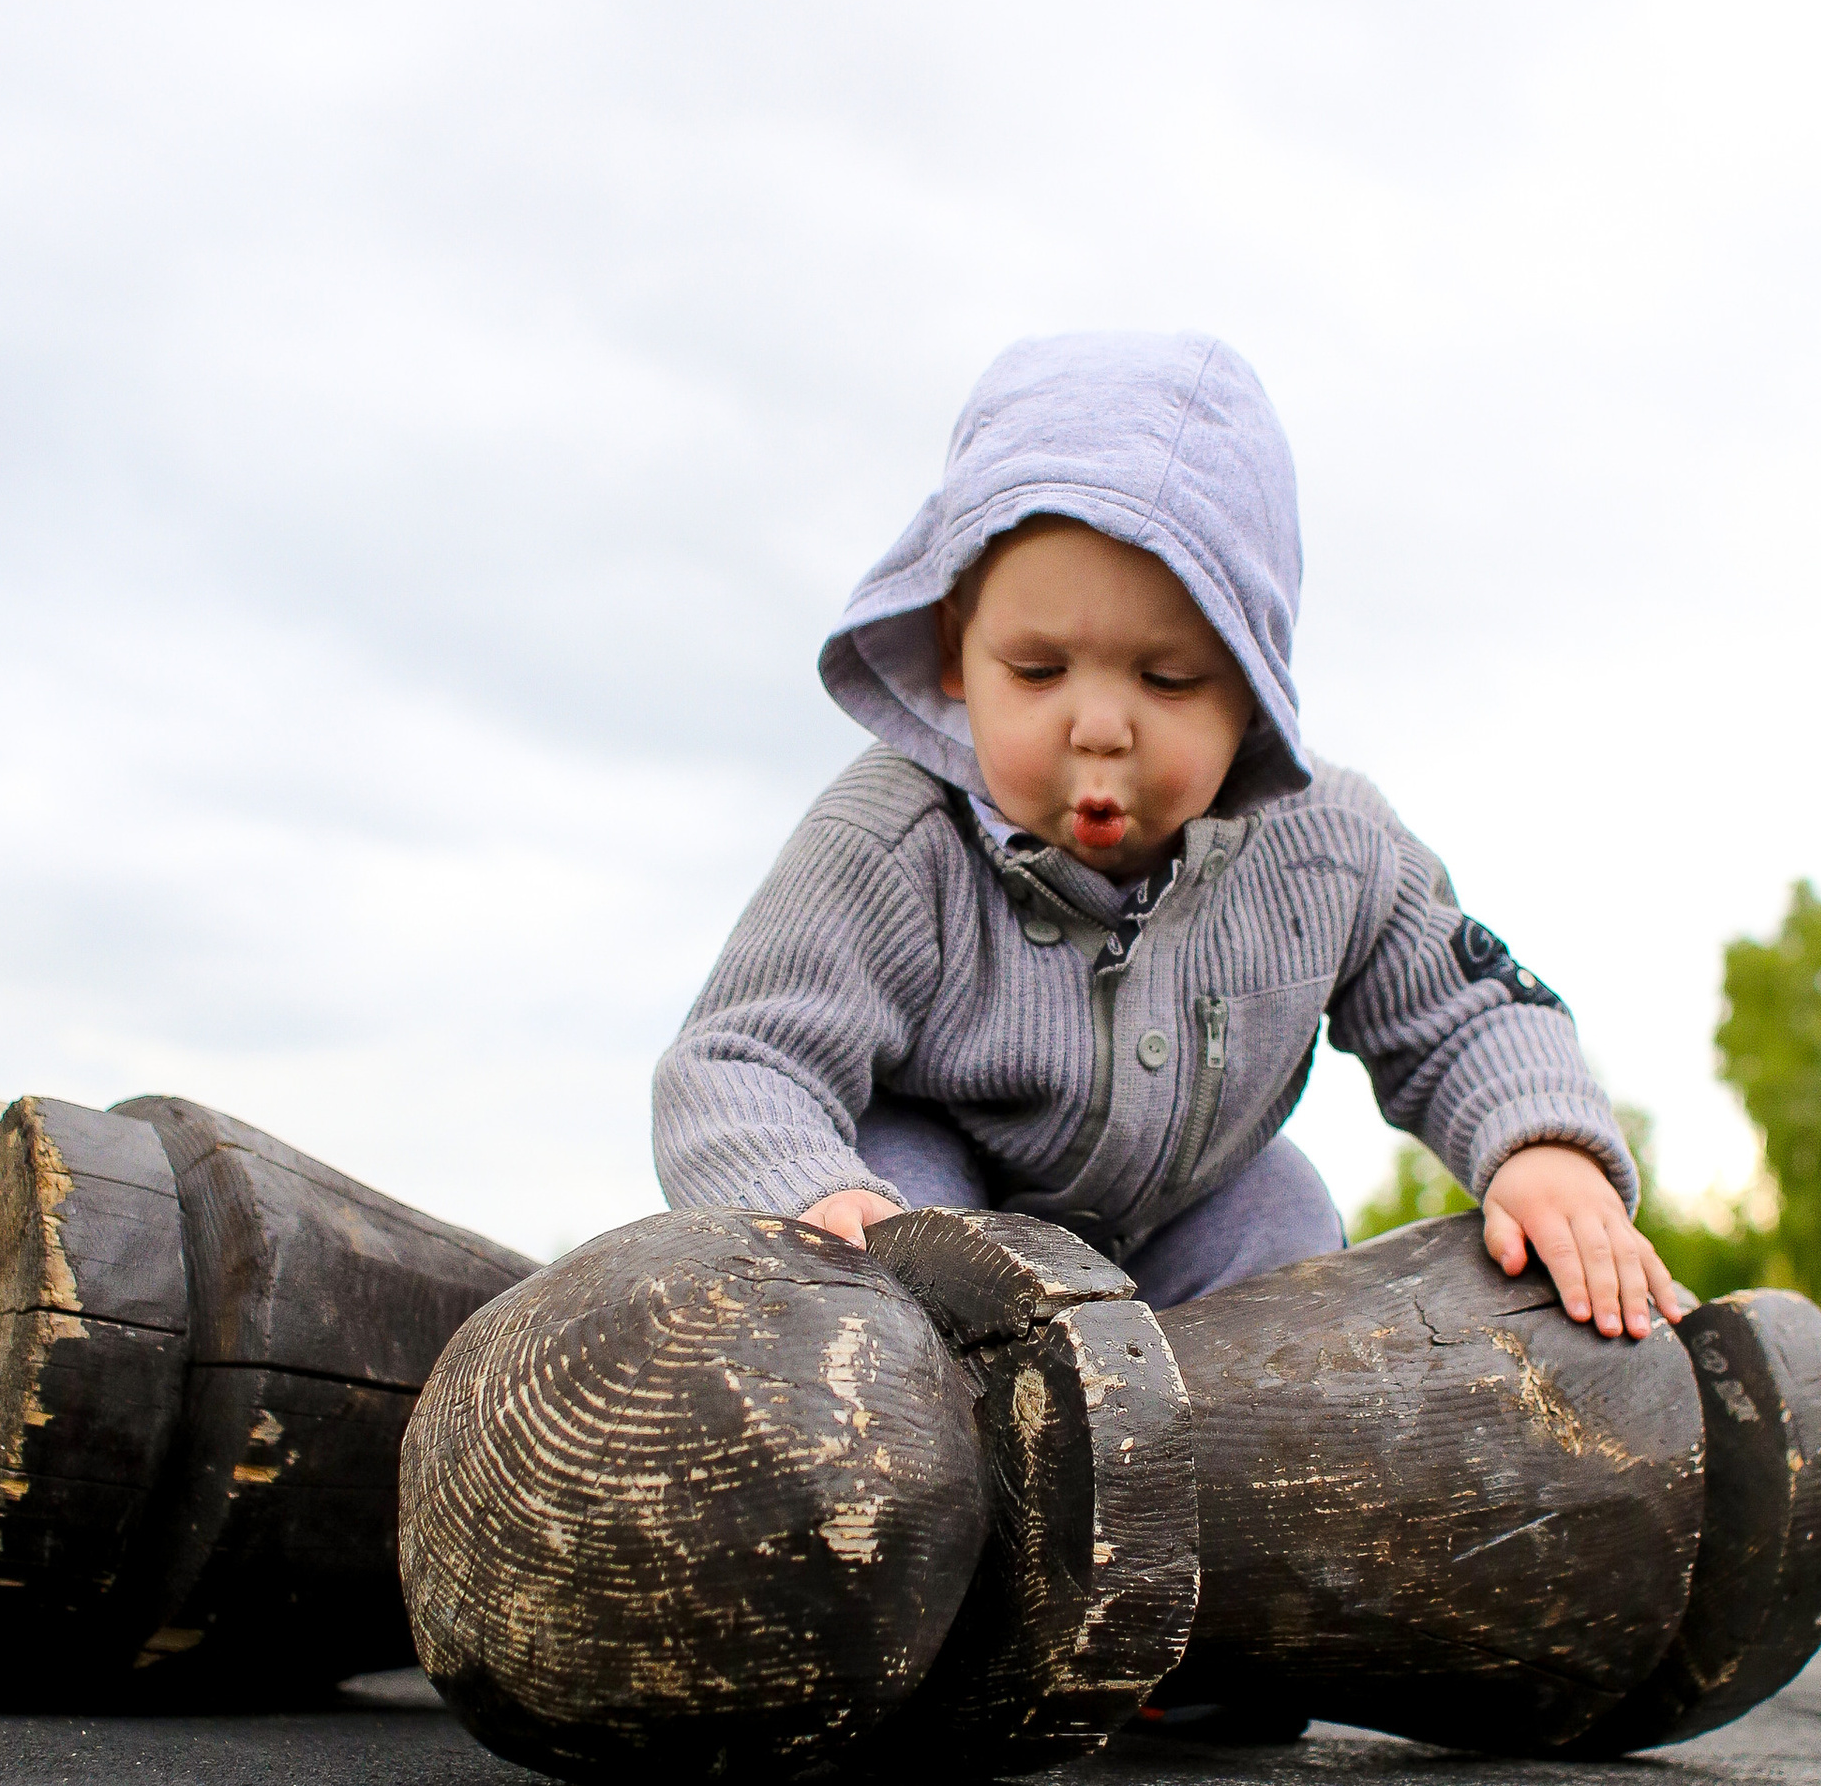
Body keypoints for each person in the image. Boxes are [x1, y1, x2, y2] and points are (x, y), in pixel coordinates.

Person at [652, 330, 1679, 1341]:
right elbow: (741, 1057)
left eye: (1169, 679)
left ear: (1253, 684)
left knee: (1280, 1205)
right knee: (908, 1231)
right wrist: (809, 1193)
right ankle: (944, 1413)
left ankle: (1246, 1435)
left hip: (1177, 1223)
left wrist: (1541, 1144)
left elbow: (1463, 1008)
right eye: (1039, 672)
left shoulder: (1328, 848)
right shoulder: (895, 838)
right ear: (955, 646)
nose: (1100, 727)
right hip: (934, 1203)